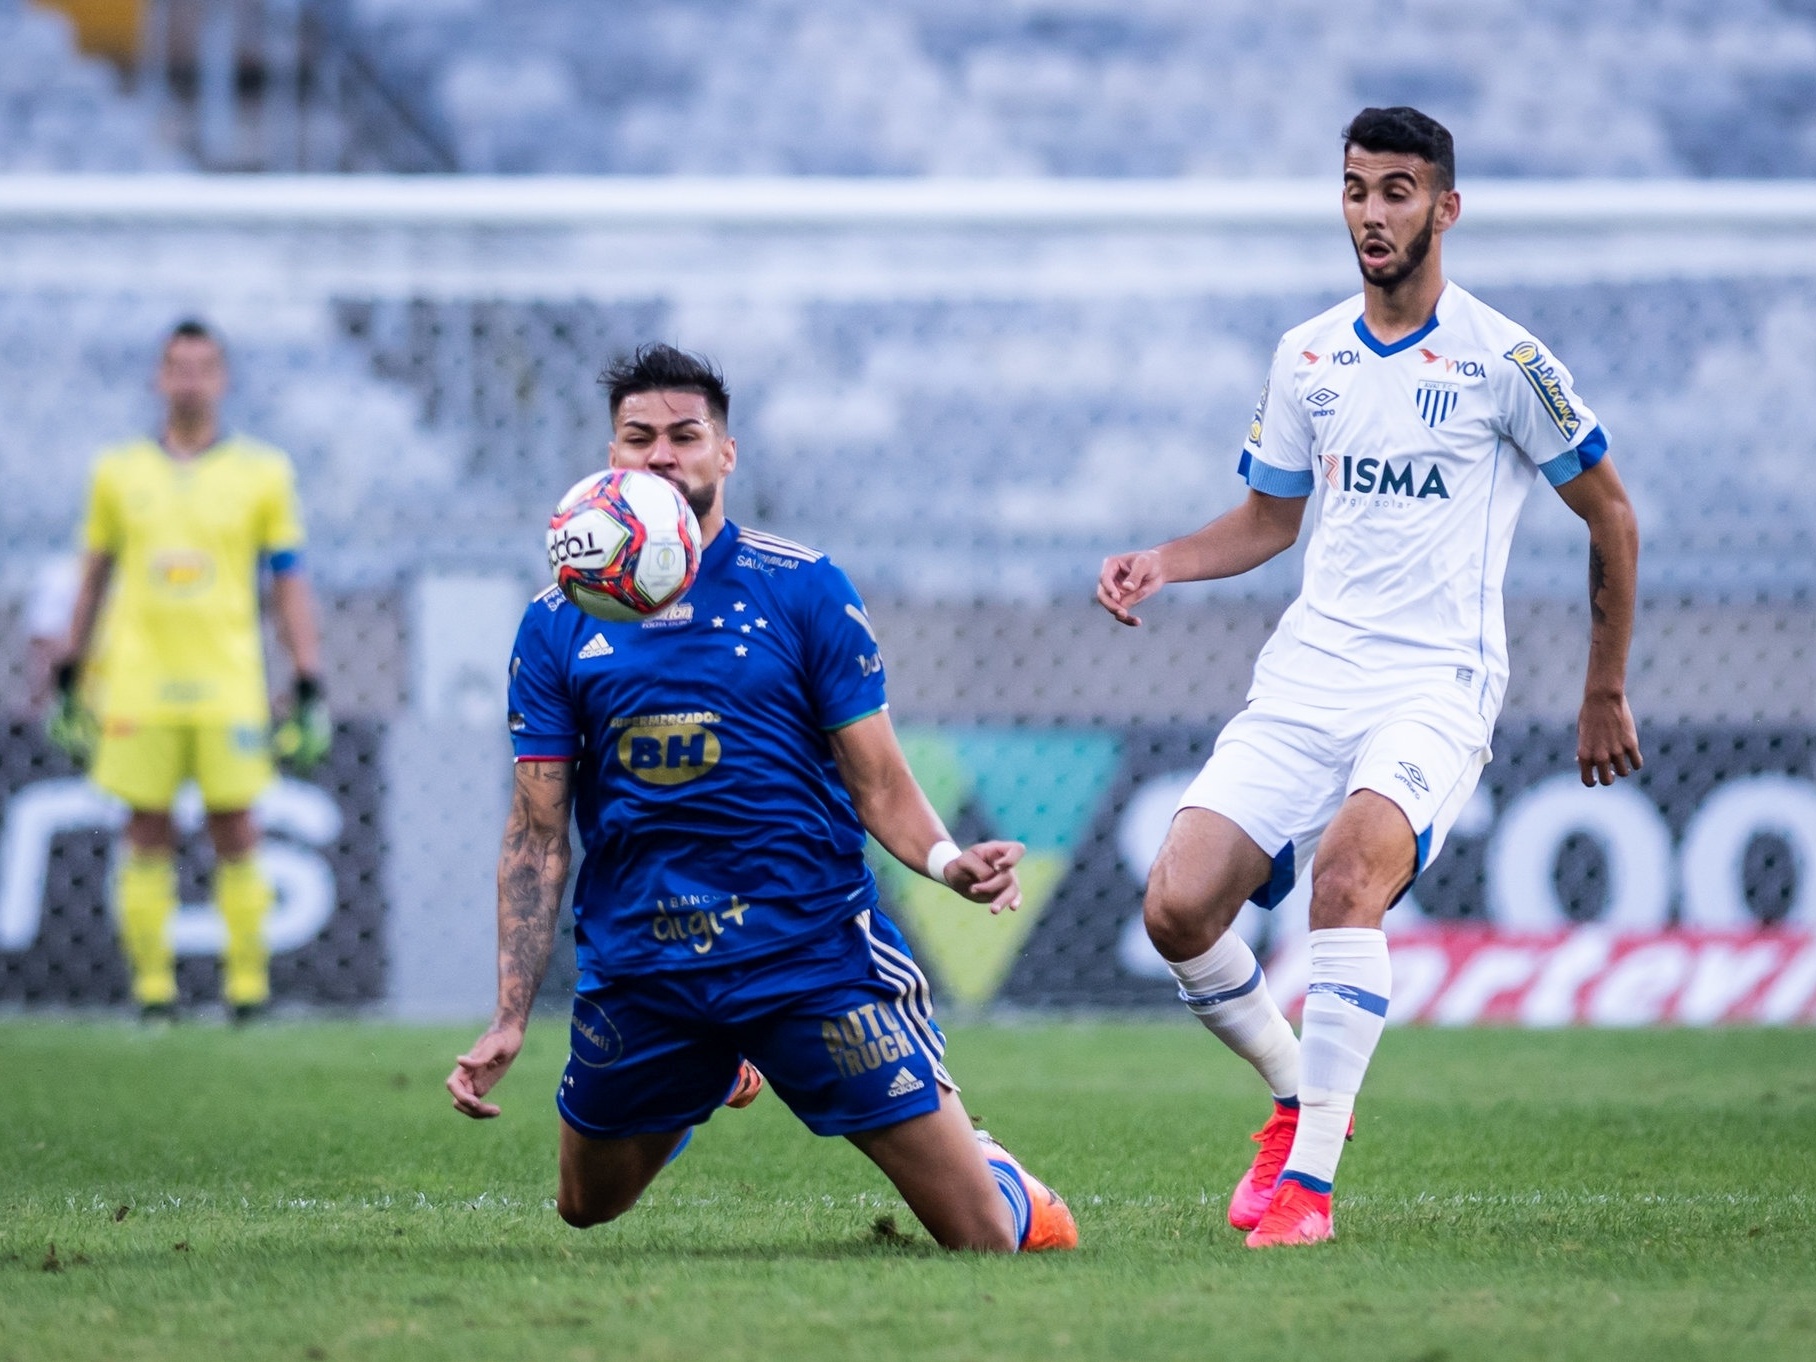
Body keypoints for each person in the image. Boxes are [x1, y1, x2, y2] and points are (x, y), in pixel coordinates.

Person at [1097, 107, 1642, 1247]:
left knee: (1344, 880)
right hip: (1306, 676)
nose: (1372, 213)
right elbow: (1266, 520)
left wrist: (1603, 689)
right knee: (1176, 904)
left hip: (1435, 683)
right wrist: (1165, 561)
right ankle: (1298, 1097)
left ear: (1444, 208)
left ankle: (1307, 1186)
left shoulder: (1506, 359)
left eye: (1397, 191)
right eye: (1355, 189)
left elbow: (1610, 514)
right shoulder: (1309, 353)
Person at [446, 344, 1076, 1254]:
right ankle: (713, 1064)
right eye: (638, 437)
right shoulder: (555, 620)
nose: (662, 455)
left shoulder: (799, 585)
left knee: (986, 1238)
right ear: (609, 457)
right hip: (645, 962)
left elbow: (880, 780)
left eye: (685, 435)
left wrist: (948, 861)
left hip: (806, 953)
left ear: (725, 453)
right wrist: (510, 1016)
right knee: (586, 1206)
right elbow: (536, 834)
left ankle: (1000, 1177)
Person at [52, 319, 331, 1021]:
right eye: (178, 367)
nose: (190, 380)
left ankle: (247, 990)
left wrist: (307, 672)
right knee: (145, 829)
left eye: (204, 367)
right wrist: (68, 663)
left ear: (223, 379)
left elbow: (289, 579)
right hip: (136, 682)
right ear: (158, 377)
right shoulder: (116, 472)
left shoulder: (263, 473)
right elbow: (92, 576)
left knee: (237, 828)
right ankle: (153, 993)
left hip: (229, 682)